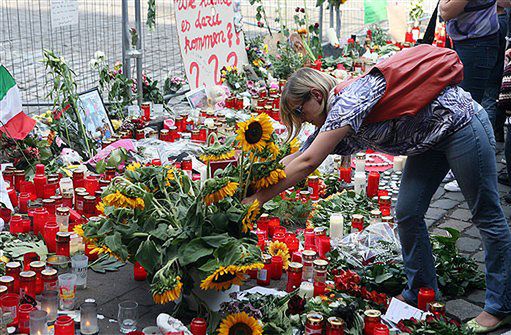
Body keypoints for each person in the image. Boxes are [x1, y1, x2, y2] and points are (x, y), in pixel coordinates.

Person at [244, 53, 511, 332]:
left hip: (461, 126)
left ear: (315, 95)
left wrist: (258, 201)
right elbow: (300, 155)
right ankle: (420, 288)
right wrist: (254, 181)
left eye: (300, 112)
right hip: (427, 142)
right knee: (407, 212)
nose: (305, 121)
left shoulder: (348, 101)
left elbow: (309, 163)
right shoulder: (333, 116)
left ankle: (500, 306)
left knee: (486, 214)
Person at [440, 0, 499, 192]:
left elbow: (446, 11)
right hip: (474, 42)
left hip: (476, 45)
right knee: (468, 107)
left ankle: (469, 173)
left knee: (468, 112)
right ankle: (460, 166)